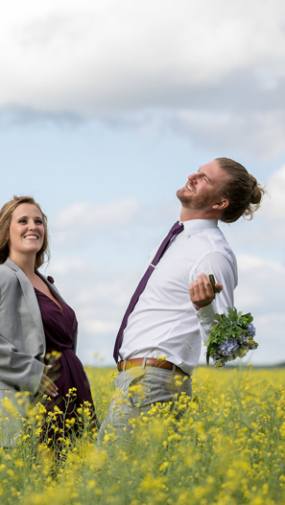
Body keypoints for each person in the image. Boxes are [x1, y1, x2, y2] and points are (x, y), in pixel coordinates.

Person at [100, 157, 264, 441]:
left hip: (154, 383)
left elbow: (229, 347)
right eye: (199, 172)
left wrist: (204, 308)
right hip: (137, 379)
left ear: (220, 203)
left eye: (205, 179)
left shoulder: (211, 253)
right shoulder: (178, 240)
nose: (193, 176)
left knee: (108, 476)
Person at [0, 196, 96, 447]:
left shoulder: (48, 283)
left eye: (39, 221)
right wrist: (30, 372)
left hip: (71, 393)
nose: (33, 226)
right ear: (6, 232)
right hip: (29, 398)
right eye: (23, 221)